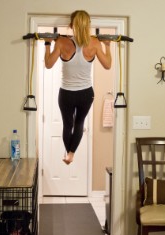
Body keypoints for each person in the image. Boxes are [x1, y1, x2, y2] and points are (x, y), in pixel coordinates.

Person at [44, 10, 112, 165]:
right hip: (86, 94)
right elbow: (108, 65)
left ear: (70, 25)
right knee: (79, 123)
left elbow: (48, 64)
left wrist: (47, 43)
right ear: (88, 26)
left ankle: (68, 153)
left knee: (68, 125)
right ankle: (71, 153)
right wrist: (107, 46)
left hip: (66, 93)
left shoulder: (61, 42)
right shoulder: (94, 43)